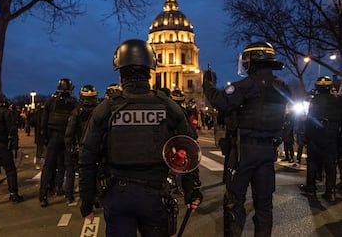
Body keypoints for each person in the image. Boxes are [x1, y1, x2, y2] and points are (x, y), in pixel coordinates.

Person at [79, 39, 203, 236]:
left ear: (120, 74)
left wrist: (86, 200)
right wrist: (192, 189)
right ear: (150, 71)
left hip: (117, 193)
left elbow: (87, 156)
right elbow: (189, 149)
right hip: (155, 195)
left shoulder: (106, 108)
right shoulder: (168, 106)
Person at [203, 41, 289, 236]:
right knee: (264, 203)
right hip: (268, 151)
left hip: (245, 150)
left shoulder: (247, 85)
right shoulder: (282, 86)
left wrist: (207, 85)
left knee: (234, 201)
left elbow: (221, 101)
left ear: (253, 61)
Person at [300, 76, 342, 202]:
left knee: (312, 162)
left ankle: (311, 188)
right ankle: (331, 191)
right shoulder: (337, 101)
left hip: (316, 137)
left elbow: (309, 120)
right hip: (332, 138)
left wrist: (305, 137)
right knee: (331, 165)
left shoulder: (314, 101)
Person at [39, 78, 78, 207]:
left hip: (54, 137)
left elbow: (44, 122)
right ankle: (68, 195)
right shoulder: (73, 102)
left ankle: (43, 196)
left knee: (48, 166)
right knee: (68, 166)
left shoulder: (51, 101)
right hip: (67, 137)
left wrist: (45, 137)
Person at [64, 84, 99, 204]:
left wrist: (70, 149)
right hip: (97, 146)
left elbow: (69, 132)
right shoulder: (100, 110)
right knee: (97, 172)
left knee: (74, 172)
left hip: (81, 146)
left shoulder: (77, 111)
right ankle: (96, 197)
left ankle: (71, 196)